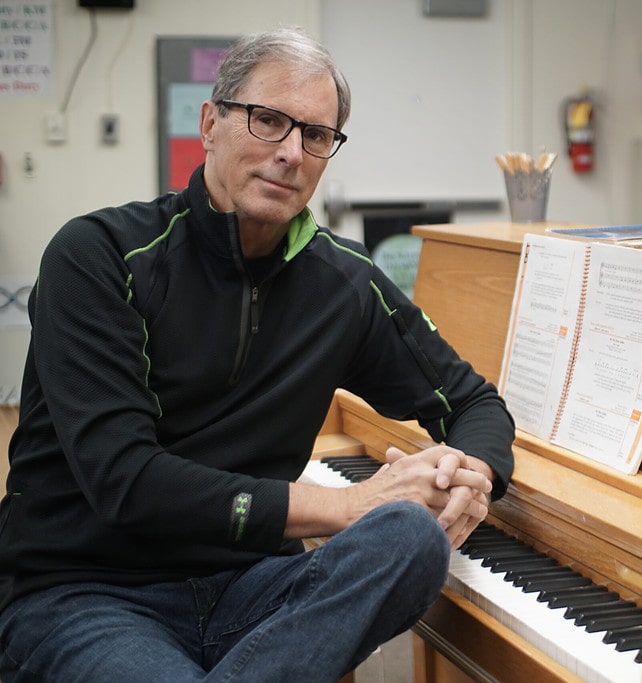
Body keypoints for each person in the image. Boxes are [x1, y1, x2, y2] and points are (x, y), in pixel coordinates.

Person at [0, 27, 514, 682]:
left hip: (251, 586)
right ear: (210, 123)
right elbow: (125, 480)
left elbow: (472, 400)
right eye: (268, 120)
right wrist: (351, 505)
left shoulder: (344, 283)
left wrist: (471, 477)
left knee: (411, 540)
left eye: (316, 136)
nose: (291, 153)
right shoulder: (98, 255)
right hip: (85, 591)